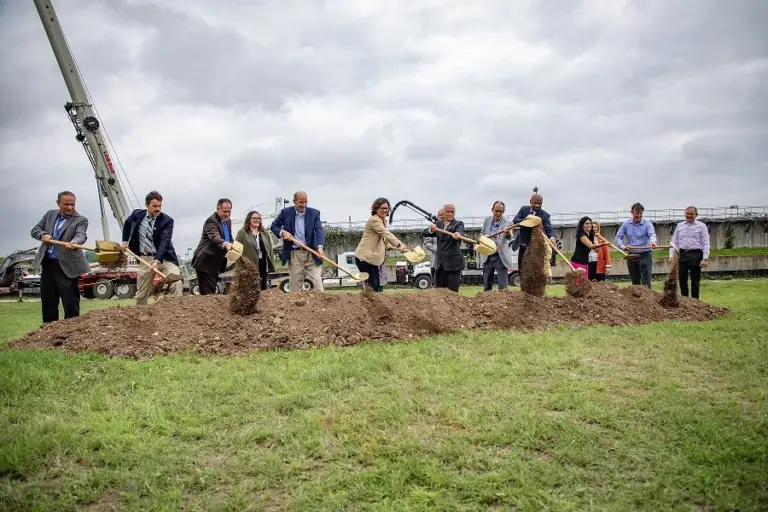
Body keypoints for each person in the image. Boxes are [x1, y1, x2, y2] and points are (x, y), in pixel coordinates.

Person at [30, 191, 91, 323]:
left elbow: (81, 235)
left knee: (70, 303)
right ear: (58, 203)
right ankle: (48, 330)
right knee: (48, 301)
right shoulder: (49, 215)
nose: (70, 207)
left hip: (68, 267)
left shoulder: (81, 220)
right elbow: (35, 230)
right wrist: (43, 235)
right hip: (48, 264)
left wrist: (75, 242)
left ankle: (71, 331)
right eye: (66, 204)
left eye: (72, 204)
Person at [121, 190, 182, 304]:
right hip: (144, 259)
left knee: (176, 282)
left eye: (160, 206)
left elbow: (165, 241)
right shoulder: (137, 215)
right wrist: (124, 241)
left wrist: (157, 260)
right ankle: (141, 316)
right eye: (154, 206)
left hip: (164, 258)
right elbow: (127, 224)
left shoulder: (167, 221)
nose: (158, 209)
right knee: (141, 295)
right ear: (146, 205)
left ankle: (175, 313)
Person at [270, 190, 325, 292]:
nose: (303, 205)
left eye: (305, 202)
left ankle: (321, 307)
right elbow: (274, 226)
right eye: (301, 202)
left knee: (317, 284)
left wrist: (320, 247)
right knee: (295, 288)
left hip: (312, 253)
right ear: (294, 202)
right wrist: (283, 233)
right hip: (295, 255)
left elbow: (319, 230)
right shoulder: (286, 213)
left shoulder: (314, 213)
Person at [354, 198, 409, 292]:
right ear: (376, 208)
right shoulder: (374, 221)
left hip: (373, 259)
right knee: (373, 286)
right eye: (382, 208)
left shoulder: (383, 221)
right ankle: (368, 305)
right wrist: (400, 245)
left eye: (387, 208)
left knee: (376, 286)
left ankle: (371, 304)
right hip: (364, 258)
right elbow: (386, 233)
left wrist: (396, 248)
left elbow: (384, 241)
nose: (385, 210)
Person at [191, 198, 234, 295]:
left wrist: (235, 246)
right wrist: (226, 244)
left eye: (229, 211)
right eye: (224, 212)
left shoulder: (228, 221)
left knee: (212, 292)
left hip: (216, 264)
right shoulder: (211, 221)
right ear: (218, 209)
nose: (227, 214)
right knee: (208, 295)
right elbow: (215, 238)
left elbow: (229, 237)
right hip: (205, 262)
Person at [669, 206, 710, 299]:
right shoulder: (680, 226)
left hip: (696, 254)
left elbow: (706, 243)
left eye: (692, 214)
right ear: (685, 214)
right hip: (682, 254)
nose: (689, 216)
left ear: (696, 215)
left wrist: (705, 258)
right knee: (682, 279)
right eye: (687, 214)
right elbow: (674, 242)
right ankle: (685, 300)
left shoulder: (701, 226)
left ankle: (695, 302)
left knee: (695, 280)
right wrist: (671, 255)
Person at [423, 203, 465, 292]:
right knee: (439, 293)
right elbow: (425, 232)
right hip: (440, 265)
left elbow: (460, 231)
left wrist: (458, 234)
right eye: (448, 212)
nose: (450, 214)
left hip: (453, 265)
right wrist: (431, 229)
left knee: (452, 293)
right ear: (444, 213)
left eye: (452, 212)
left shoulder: (458, 224)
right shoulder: (438, 224)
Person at [616, 202, 657, 288]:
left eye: (640, 213)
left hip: (645, 254)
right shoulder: (626, 224)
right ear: (632, 212)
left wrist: (653, 242)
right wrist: (623, 247)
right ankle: (637, 300)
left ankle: (647, 299)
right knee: (635, 281)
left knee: (646, 281)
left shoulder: (647, 224)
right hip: (632, 255)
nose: (638, 215)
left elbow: (652, 235)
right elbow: (618, 237)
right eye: (636, 213)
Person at [512, 191, 556, 271]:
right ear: (530, 202)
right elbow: (515, 221)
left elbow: (549, 229)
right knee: (522, 268)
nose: (537, 205)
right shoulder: (524, 209)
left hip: (536, 247)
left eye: (539, 204)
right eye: (535, 203)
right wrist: (529, 221)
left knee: (534, 269)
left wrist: (552, 238)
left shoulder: (544, 215)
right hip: (523, 244)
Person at [235, 209, 277, 290]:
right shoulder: (242, 232)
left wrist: (271, 263)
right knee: (251, 288)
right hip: (249, 265)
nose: (257, 220)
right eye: (254, 218)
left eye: (259, 218)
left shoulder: (265, 233)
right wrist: (240, 266)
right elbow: (237, 251)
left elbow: (270, 250)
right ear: (249, 219)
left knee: (262, 286)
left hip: (263, 263)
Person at [479, 201, 514, 291]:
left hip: (500, 256)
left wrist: (507, 232)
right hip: (488, 255)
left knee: (503, 287)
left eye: (500, 211)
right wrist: (483, 237)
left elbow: (510, 237)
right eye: (496, 211)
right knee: (487, 285)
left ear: (503, 211)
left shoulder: (508, 223)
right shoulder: (487, 220)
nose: (498, 213)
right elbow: (481, 233)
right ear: (492, 210)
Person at [570, 216, 608, 281]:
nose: (589, 225)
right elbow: (591, 246)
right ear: (582, 226)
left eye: (590, 223)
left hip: (585, 262)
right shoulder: (581, 235)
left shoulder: (591, 236)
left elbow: (597, 250)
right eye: (586, 223)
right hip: (577, 261)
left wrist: (597, 241)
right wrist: (603, 243)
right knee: (579, 283)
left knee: (585, 283)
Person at [423, 208, 443, 280]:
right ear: (437, 216)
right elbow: (427, 242)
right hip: (435, 262)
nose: (443, 216)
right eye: (441, 215)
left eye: (444, 215)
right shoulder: (433, 228)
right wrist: (437, 249)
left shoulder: (451, 227)